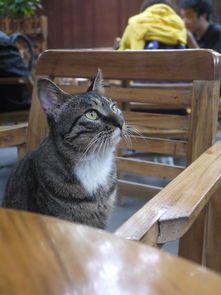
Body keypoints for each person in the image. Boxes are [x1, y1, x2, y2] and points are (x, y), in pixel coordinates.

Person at [118, 0, 187, 50]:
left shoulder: (135, 23)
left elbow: (121, 53)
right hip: (174, 68)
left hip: (142, 68)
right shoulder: (180, 25)